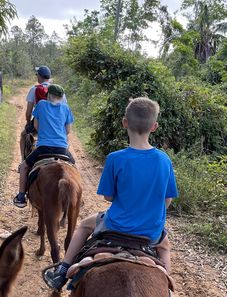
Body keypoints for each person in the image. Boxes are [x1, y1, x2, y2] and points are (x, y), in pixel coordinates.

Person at [44, 97, 178, 291]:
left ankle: (62, 271)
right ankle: (168, 287)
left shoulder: (115, 158)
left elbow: (108, 197)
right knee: (164, 246)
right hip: (150, 232)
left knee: (83, 226)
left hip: (116, 225)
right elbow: (167, 200)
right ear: (154, 126)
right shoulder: (164, 160)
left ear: (125, 122)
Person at [13, 84, 75, 208]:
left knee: (24, 166)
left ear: (48, 95)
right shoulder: (66, 108)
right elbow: (68, 130)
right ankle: (77, 196)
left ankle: (21, 196)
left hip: (43, 148)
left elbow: (36, 126)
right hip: (62, 148)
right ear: (61, 97)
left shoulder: (41, 104)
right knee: (74, 168)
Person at [19, 66, 68, 161]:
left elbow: (28, 113)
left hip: (40, 122)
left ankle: (23, 161)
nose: (37, 77)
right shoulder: (59, 90)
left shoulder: (34, 89)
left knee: (23, 135)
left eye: (37, 75)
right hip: (57, 123)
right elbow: (64, 109)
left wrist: (28, 123)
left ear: (40, 76)